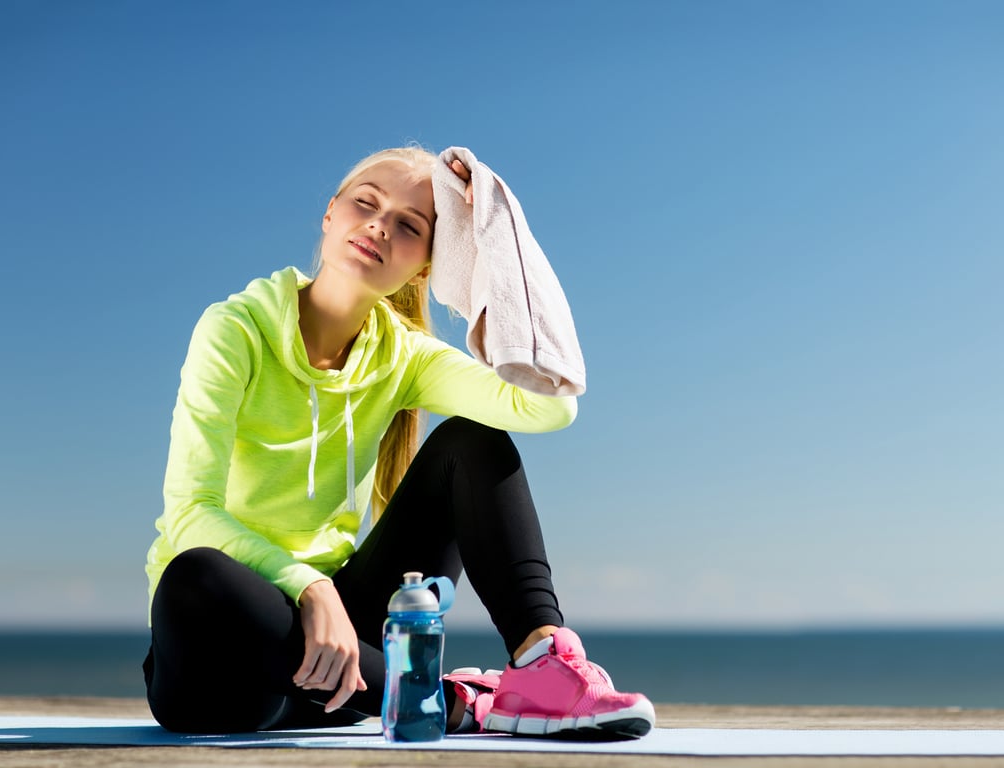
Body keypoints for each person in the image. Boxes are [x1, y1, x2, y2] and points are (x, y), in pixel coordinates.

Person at [142, 146, 655, 740]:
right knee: (198, 573)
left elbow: (549, 403)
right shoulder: (235, 330)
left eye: (411, 225)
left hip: (344, 652)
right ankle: (454, 702)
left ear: (424, 268)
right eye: (365, 203)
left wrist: (495, 238)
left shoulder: (403, 356)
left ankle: (542, 668)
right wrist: (308, 589)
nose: (380, 224)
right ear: (331, 214)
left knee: (471, 440)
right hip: (229, 665)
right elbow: (189, 513)